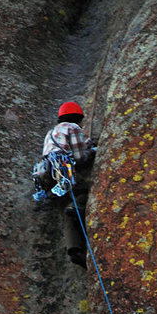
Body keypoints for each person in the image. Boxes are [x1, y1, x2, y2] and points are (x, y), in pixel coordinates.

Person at [42, 101, 96, 269]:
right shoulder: (73, 128)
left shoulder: (52, 132)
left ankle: (75, 250)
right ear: (77, 118)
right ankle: (76, 207)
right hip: (61, 169)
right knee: (83, 192)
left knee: (68, 209)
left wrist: (87, 144)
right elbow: (79, 158)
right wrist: (94, 151)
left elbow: (69, 148)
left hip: (46, 173)